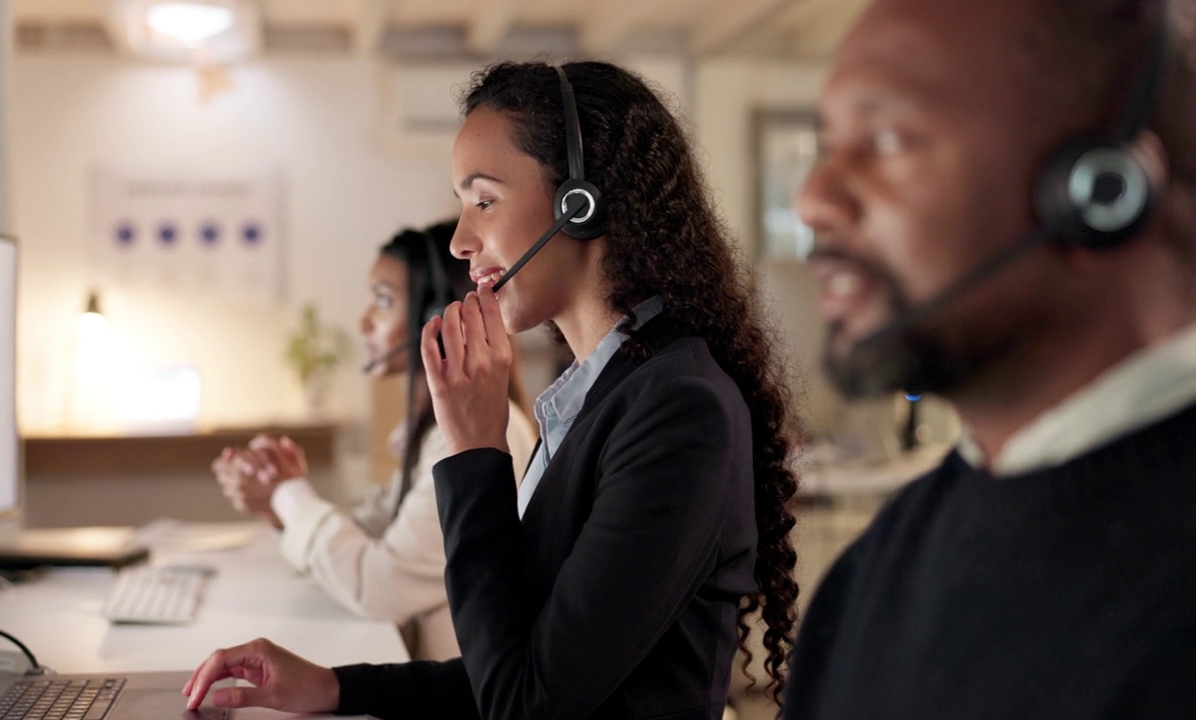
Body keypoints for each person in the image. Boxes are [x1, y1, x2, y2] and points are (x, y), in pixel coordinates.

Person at [185, 60, 800, 719]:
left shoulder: (682, 410)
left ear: (579, 204)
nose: (459, 240)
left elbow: (526, 705)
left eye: (483, 201)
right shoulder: (598, 398)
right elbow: (518, 666)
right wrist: (335, 687)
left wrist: (475, 449)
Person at [784, 0, 1196, 716]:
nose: (814, 199)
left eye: (886, 139)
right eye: (826, 145)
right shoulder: (880, 565)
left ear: (1103, 192)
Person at [210, 219, 537, 662]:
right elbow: (374, 530)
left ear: (434, 317)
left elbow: (382, 585)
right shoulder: (434, 431)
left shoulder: (471, 434)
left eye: (383, 301)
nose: (364, 321)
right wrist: (278, 500)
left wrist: (290, 494)